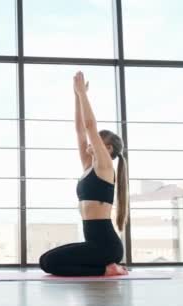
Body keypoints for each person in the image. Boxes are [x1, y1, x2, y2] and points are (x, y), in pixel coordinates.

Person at [39, 71, 129, 276]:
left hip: (105, 246)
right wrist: (76, 96)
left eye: (98, 141)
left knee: (50, 264)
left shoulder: (105, 167)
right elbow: (80, 130)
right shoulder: (89, 165)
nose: (91, 142)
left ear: (108, 150)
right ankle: (106, 268)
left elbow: (90, 127)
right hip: (95, 243)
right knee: (45, 260)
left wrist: (83, 94)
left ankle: (106, 270)